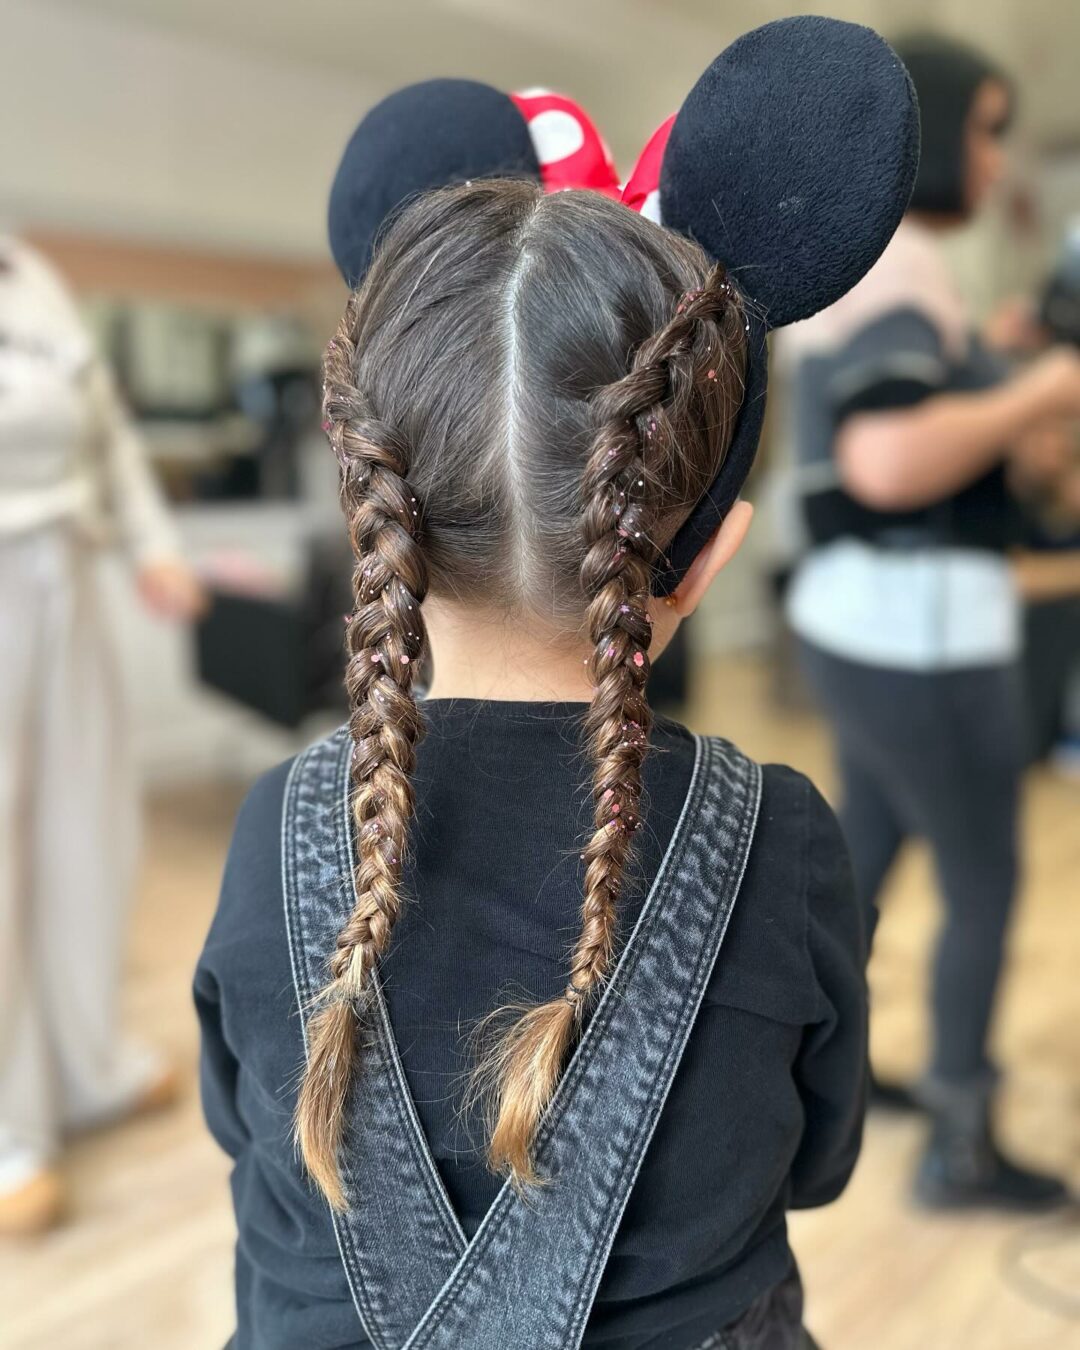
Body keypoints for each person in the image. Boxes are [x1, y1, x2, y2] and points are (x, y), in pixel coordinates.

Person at [196, 18, 918, 1347]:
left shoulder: (275, 830)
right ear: (707, 554)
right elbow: (818, 1159)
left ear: (379, 529)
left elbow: (244, 1129)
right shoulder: (780, 840)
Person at [783, 33, 1080, 1210]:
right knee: (984, 882)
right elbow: (885, 456)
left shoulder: (865, 262)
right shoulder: (904, 266)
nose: (997, 156)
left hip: (861, 628)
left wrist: (986, 371)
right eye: (988, 128)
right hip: (921, 641)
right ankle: (961, 1144)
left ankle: (816, 1082)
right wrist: (1039, 390)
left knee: (865, 861)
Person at [0, 236, 204, 1235]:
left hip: (65, 571)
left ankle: (86, 1067)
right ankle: (9, 1128)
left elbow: (109, 428)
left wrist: (153, 544)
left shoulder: (32, 274)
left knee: (89, 835)